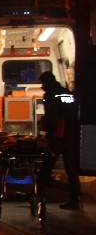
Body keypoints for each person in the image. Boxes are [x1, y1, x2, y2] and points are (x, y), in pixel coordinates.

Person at [37, 70, 81, 210]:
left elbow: (55, 118)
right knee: (71, 169)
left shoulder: (52, 95)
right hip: (69, 136)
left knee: (47, 167)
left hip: (59, 137)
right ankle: (75, 198)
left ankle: (37, 195)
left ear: (48, 82)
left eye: (43, 83)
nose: (42, 86)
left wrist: (50, 136)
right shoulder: (66, 93)